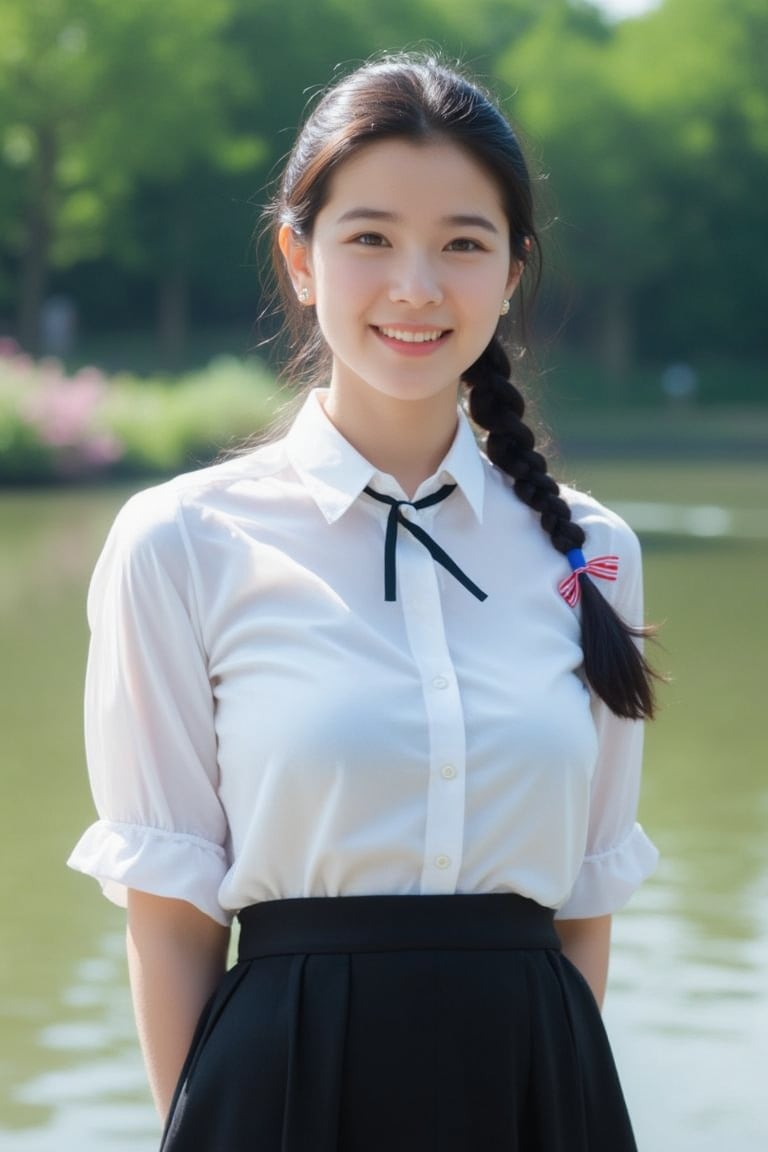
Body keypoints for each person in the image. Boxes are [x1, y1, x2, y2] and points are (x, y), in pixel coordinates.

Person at [68, 52, 660, 1152]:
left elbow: (586, 906)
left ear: (513, 271)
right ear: (301, 257)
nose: (418, 288)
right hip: (281, 1090)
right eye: (371, 237)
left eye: (464, 245)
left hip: (540, 1086)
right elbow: (173, 915)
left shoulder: (596, 555)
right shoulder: (182, 543)